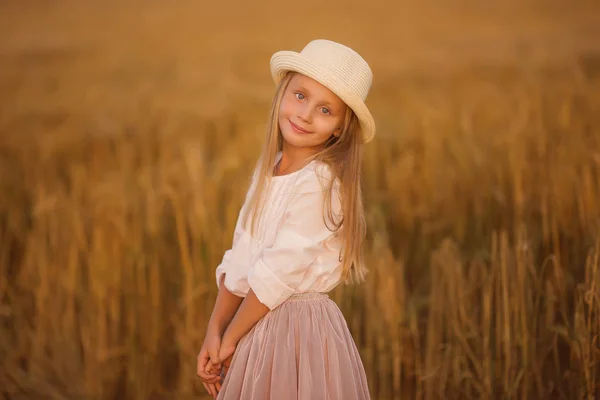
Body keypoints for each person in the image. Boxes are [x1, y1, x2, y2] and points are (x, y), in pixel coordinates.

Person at [196, 38, 375, 399]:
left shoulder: (321, 183)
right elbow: (243, 258)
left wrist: (230, 340)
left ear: (340, 128)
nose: (306, 114)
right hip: (255, 324)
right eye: (300, 96)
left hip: (298, 334)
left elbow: (277, 275)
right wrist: (214, 332)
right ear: (282, 94)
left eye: (326, 111)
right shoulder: (269, 169)